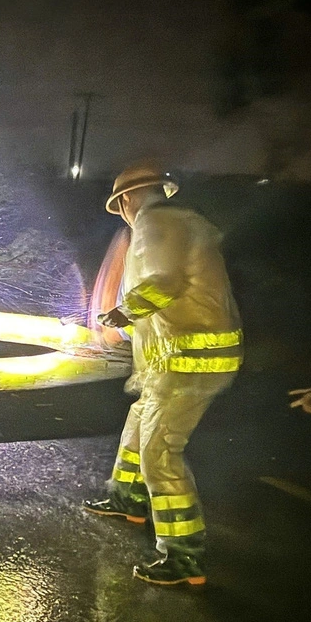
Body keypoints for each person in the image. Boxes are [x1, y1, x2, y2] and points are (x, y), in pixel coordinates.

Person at [83, 159, 243, 587]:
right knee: (139, 424)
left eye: (121, 207)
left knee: (159, 454)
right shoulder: (174, 222)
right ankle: (126, 498)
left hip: (190, 362)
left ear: (126, 201)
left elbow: (165, 283)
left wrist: (120, 313)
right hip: (177, 360)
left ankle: (184, 557)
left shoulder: (156, 224)